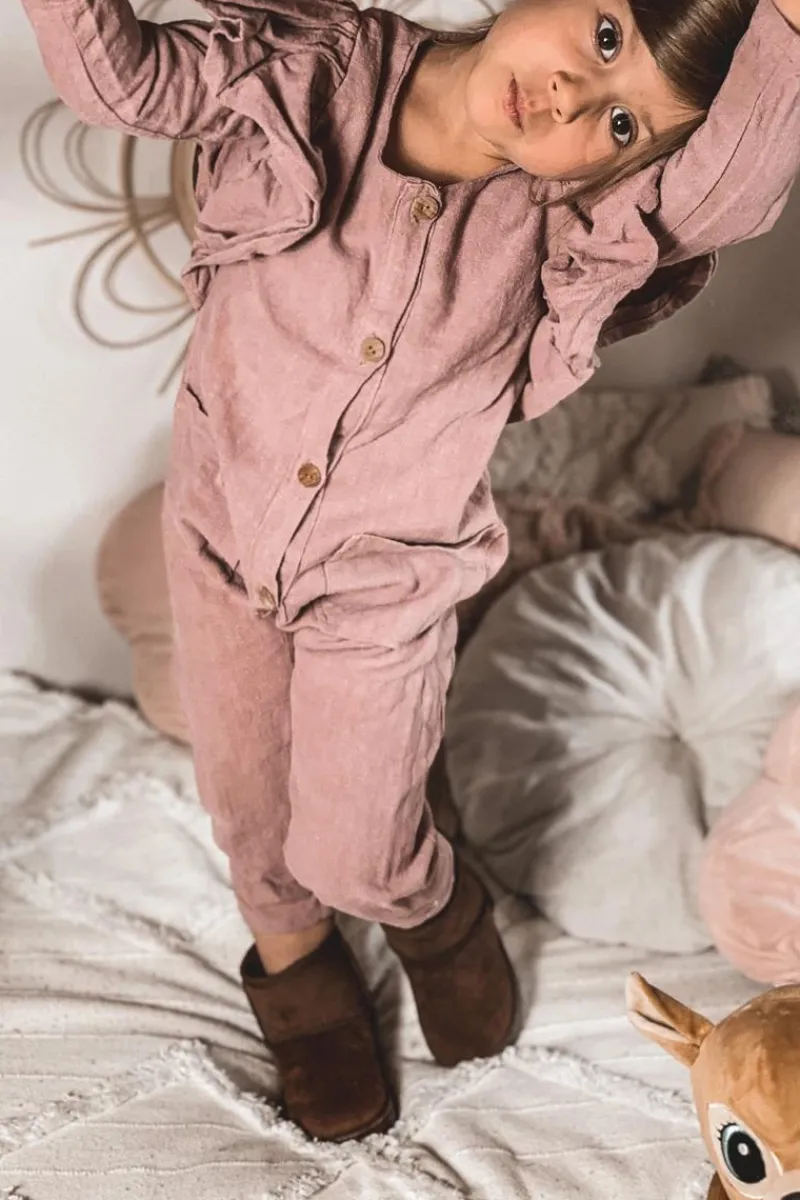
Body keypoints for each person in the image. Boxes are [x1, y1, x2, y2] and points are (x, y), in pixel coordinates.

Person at [20, 0, 800, 1144]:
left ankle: (430, 906)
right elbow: (124, 81)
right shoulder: (312, 69)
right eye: (601, 39)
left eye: (623, 125)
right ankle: (296, 967)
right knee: (246, 802)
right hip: (221, 530)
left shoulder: (567, 230)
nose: (573, 101)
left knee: (355, 845)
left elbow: (721, 191)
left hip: (389, 580)